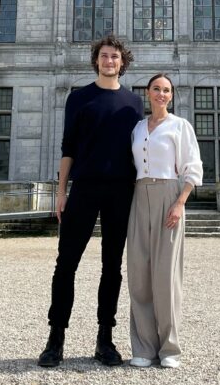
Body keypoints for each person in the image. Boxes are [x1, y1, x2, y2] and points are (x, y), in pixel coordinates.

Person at [37, 35, 143, 368]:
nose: (109, 61)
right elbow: (68, 148)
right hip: (84, 188)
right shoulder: (79, 99)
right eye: (104, 56)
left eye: (114, 57)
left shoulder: (134, 103)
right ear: (96, 61)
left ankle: (105, 339)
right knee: (65, 264)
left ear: (122, 63)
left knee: (111, 267)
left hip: (121, 191)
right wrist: (62, 190)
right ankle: (56, 339)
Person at [126, 72, 203, 369]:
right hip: (139, 194)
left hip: (169, 194)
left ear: (172, 95)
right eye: (156, 89)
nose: (161, 94)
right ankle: (144, 347)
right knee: (138, 273)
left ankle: (170, 348)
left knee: (166, 275)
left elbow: (191, 167)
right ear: (148, 93)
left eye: (166, 90)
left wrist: (180, 202)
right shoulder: (137, 128)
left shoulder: (180, 126)